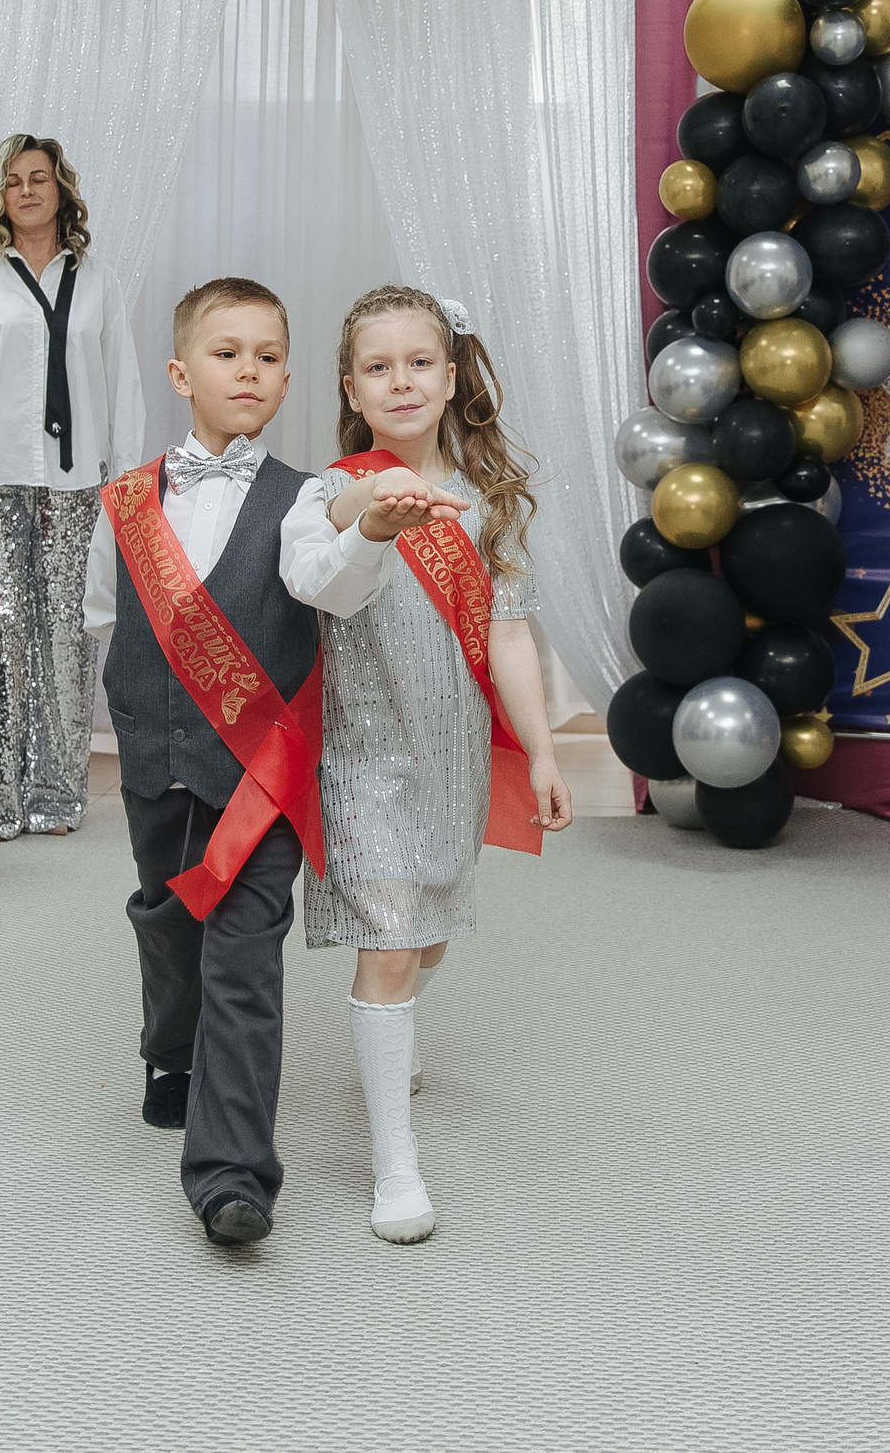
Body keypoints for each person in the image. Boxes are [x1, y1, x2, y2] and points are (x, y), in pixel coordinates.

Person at [81, 277, 393, 1248]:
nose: (247, 370)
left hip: (261, 774)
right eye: (226, 352)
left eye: (266, 355)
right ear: (181, 372)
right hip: (155, 756)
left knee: (244, 957)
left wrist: (368, 532)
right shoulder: (124, 499)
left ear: (287, 376)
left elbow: (329, 586)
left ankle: (232, 1175)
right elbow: (105, 615)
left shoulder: (310, 501)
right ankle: (167, 1052)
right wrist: (139, 716)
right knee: (171, 922)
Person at [310, 287, 574, 1244]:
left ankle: (395, 1036)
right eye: (378, 368)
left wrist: (541, 752)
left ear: (452, 374)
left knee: (428, 939)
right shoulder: (331, 488)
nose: (402, 381)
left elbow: (508, 638)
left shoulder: (487, 500)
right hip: (362, 752)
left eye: (419, 363)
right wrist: (372, 497)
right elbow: (333, 521)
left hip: (451, 753)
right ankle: (396, 1164)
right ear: (353, 387)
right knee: (385, 941)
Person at [0, 134, 146, 844]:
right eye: (14, 180)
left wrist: (123, 478)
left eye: (40, 179)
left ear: (61, 190)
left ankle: (57, 791)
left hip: (76, 484)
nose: (27, 191)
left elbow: (123, 381)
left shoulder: (98, 281)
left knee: (67, 639)